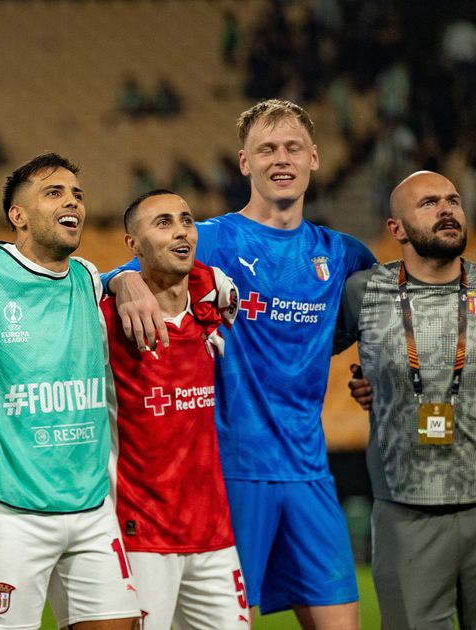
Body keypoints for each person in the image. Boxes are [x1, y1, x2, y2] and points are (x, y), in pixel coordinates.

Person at [108, 98, 376, 628]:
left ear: (314, 158)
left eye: (293, 148)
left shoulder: (344, 252)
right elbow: (127, 265)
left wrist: (374, 370)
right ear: (243, 162)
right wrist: (124, 279)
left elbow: (380, 311)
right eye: (267, 149)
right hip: (231, 472)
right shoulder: (213, 238)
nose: (282, 159)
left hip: (309, 471)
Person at [0, 153, 140, 629]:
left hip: (91, 501)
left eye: (77, 194)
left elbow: (128, 279)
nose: (73, 202)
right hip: (9, 503)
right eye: (54, 193)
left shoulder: (85, 276)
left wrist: (126, 276)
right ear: (17, 216)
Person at [338, 171, 476, 629]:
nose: (447, 210)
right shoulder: (363, 292)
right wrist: (372, 380)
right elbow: (301, 355)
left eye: (453, 200)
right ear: (395, 228)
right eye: (430, 203)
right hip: (405, 512)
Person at [108, 189, 247, 628]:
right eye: (163, 222)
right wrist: (120, 278)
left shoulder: (214, 301)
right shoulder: (107, 318)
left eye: (186, 220)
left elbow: (205, 279)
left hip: (214, 533)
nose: (181, 230)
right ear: (133, 245)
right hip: (141, 533)